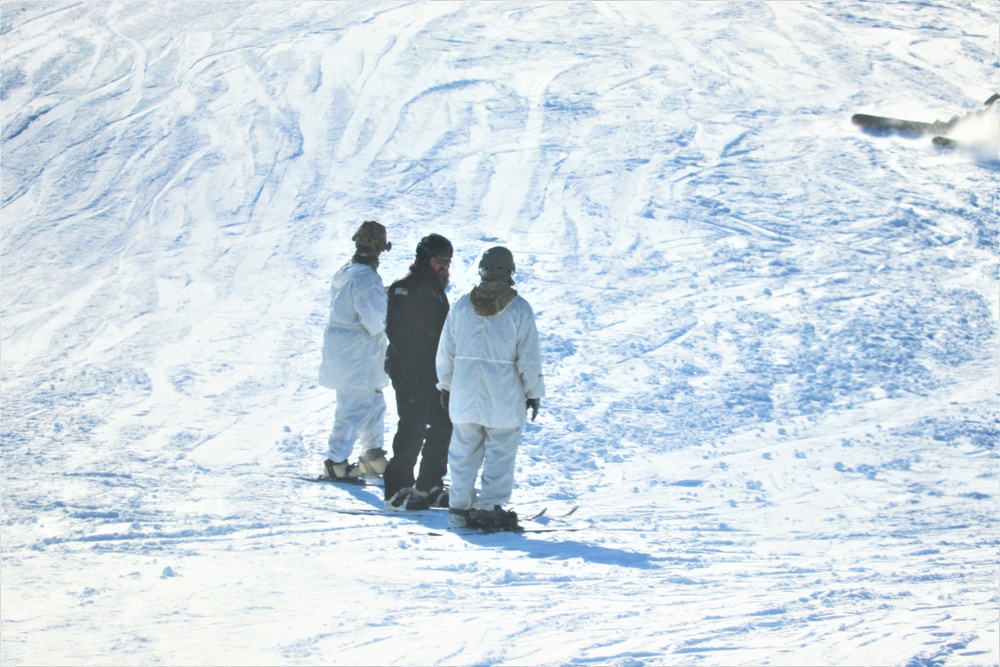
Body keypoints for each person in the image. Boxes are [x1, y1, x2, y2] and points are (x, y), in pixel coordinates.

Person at [435, 246, 545, 531]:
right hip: (503, 395)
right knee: (500, 453)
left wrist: (446, 385)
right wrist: (532, 393)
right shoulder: (519, 308)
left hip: (464, 392)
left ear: (482, 269)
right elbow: (529, 359)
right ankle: (489, 508)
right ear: (510, 271)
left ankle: (459, 511)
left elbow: (446, 351)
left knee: (462, 454)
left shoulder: (461, 305)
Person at [382, 234, 455, 511]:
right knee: (412, 427)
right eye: (440, 260)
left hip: (434, 372)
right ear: (424, 258)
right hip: (411, 371)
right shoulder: (406, 287)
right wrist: (408, 372)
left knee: (442, 426)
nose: (445, 266)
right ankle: (397, 488)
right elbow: (398, 332)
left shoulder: (436, 289)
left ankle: (430, 485)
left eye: (448, 261)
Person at [318, 220, 392, 480]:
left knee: (372, 404)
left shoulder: (347, 273)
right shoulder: (366, 279)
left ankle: (373, 456)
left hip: (352, 355)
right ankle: (336, 462)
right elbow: (375, 321)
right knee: (355, 409)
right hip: (359, 355)